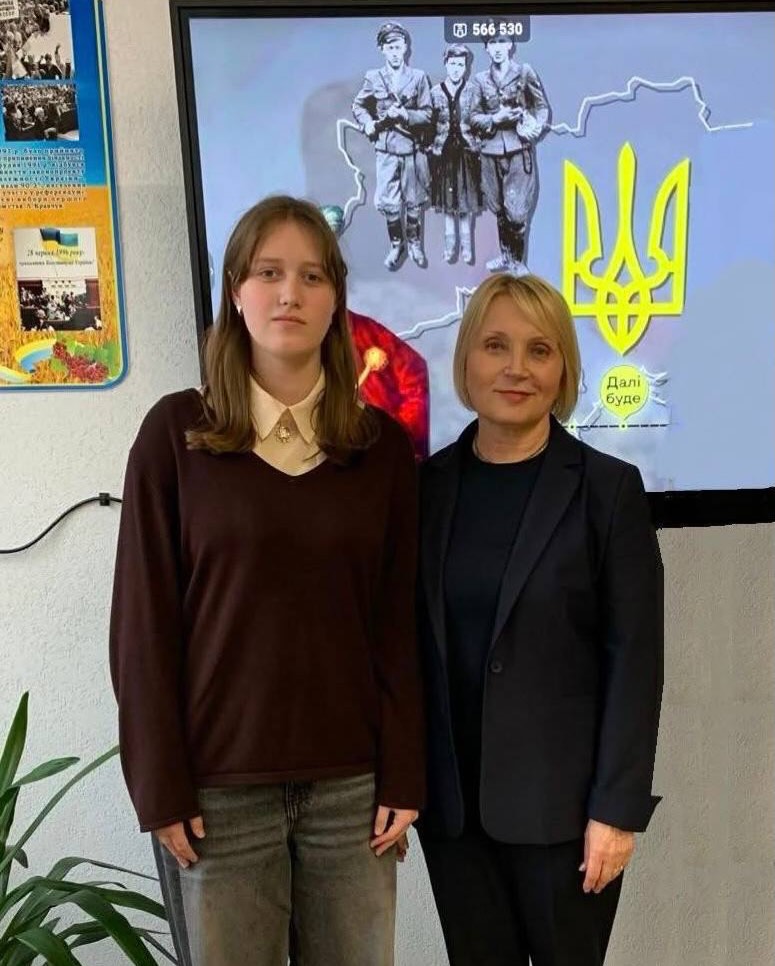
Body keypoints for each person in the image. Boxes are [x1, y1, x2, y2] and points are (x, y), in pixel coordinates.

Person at [110, 195, 425, 966]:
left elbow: (397, 625)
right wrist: (159, 786)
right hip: (217, 795)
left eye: (312, 276)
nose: (290, 294)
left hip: (353, 795)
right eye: (269, 272)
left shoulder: (380, 449)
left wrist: (404, 773)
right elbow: (142, 628)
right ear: (235, 291)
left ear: (336, 300)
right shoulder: (175, 436)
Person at [416, 273, 663, 966]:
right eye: (495, 345)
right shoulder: (424, 489)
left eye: (540, 350)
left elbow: (635, 662)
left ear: (563, 371)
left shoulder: (608, 491)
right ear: (466, 360)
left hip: (567, 819)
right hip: (455, 817)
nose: (516, 368)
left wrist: (616, 810)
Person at [352, 21, 432, 270]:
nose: (395, 53)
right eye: (390, 48)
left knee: (414, 200)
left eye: (398, 47)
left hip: (412, 149)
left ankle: (415, 244)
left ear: (406, 47)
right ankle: (397, 245)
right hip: (386, 150)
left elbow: (428, 114)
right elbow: (358, 106)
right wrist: (368, 123)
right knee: (389, 202)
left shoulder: (418, 77)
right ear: (382, 50)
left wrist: (405, 115)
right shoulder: (373, 77)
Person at [470, 35, 550, 275]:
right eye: (491, 43)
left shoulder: (524, 72)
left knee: (516, 211)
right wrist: (495, 119)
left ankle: (517, 261)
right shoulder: (480, 80)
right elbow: (473, 117)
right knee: (499, 208)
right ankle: (506, 255)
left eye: (501, 42)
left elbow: (541, 106)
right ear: (486, 48)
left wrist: (536, 126)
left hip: (518, 149)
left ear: (510, 45)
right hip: (490, 151)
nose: (497, 48)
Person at [429, 43, 482, 264]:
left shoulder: (473, 91)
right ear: (445, 64)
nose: (456, 69)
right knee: (448, 206)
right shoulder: (435, 92)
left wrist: (477, 142)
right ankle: (450, 247)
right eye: (452, 64)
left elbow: (479, 120)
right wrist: (431, 145)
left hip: (466, 153)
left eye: (461, 65)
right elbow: (429, 123)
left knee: (465, 205)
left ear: (466, 67)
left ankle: (467, 248)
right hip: (443, 154)